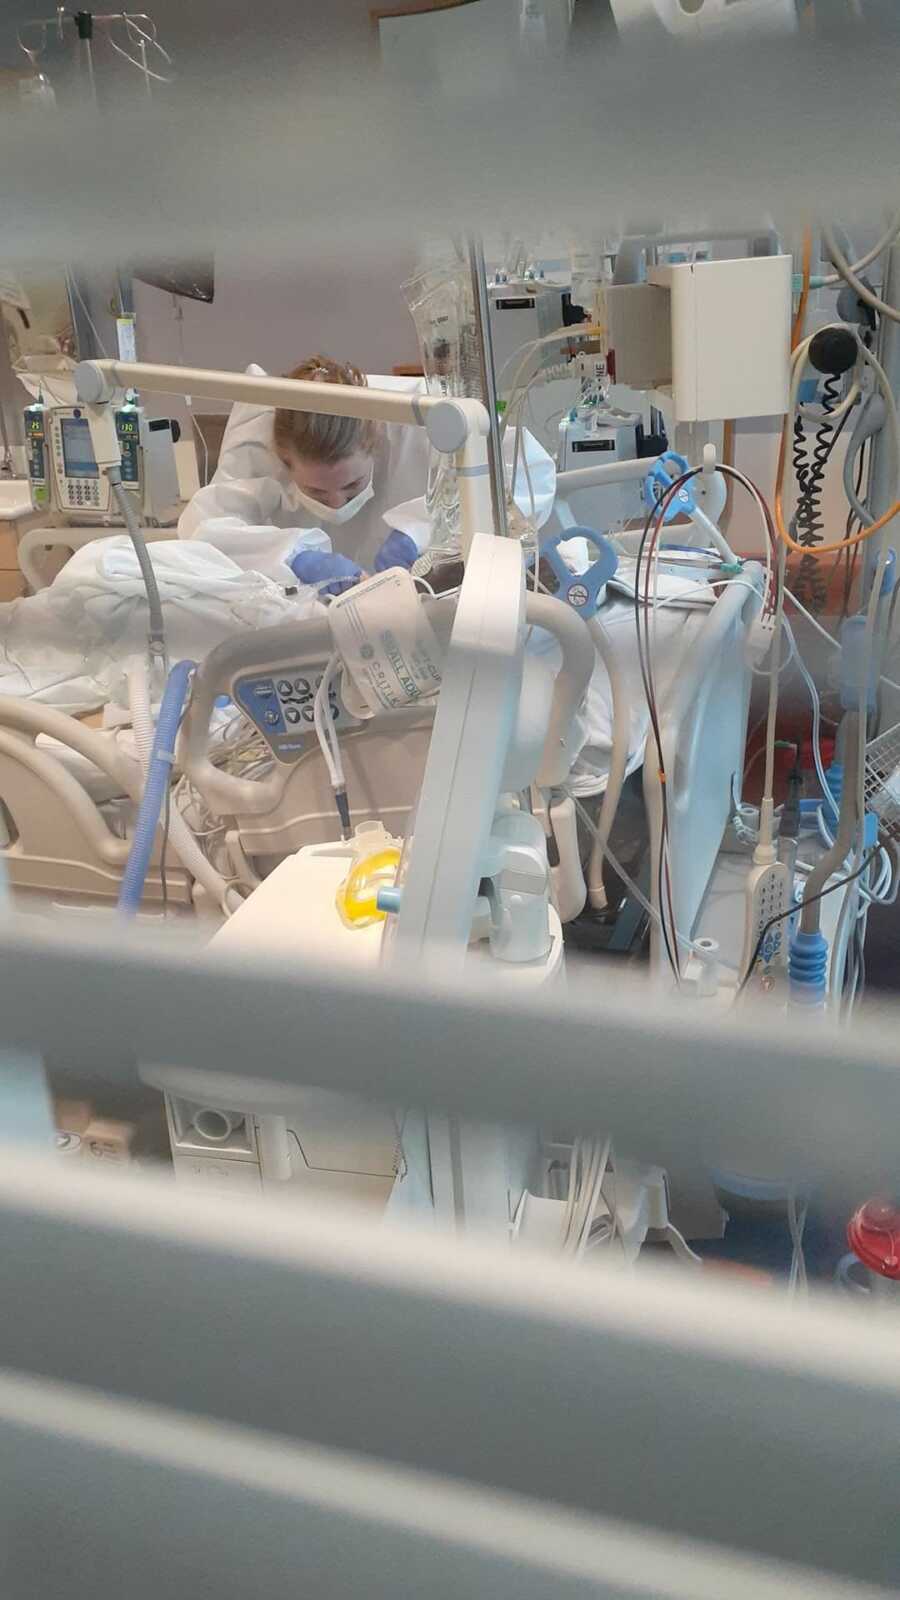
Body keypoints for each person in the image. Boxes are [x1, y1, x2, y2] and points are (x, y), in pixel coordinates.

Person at [179, 354, 556, 597]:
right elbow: (204, 529)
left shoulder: (421, 425)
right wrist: (292, 556)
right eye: (317, 492)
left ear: (374, 444)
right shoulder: (262, 453)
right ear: (284, 461)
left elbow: (524, 479)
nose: (338, 504)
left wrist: (421, 530)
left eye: (352, 485)